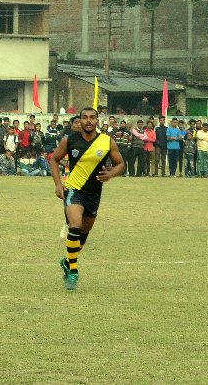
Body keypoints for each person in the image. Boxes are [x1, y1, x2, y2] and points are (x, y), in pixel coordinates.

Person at [49, 107, 126, 291]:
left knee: (83, 235)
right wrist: (59, 185)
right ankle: (73, 273)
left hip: (93, 194)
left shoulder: (107, 142)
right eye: (85, 118)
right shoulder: (69, 140)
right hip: (73, 189)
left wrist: (111, 174)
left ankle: (68, 261)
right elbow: (54, 159)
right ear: (80, 121)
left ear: (97, 120)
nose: (89, 121)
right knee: (74, 226)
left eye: (92, 117)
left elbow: (120, 164)